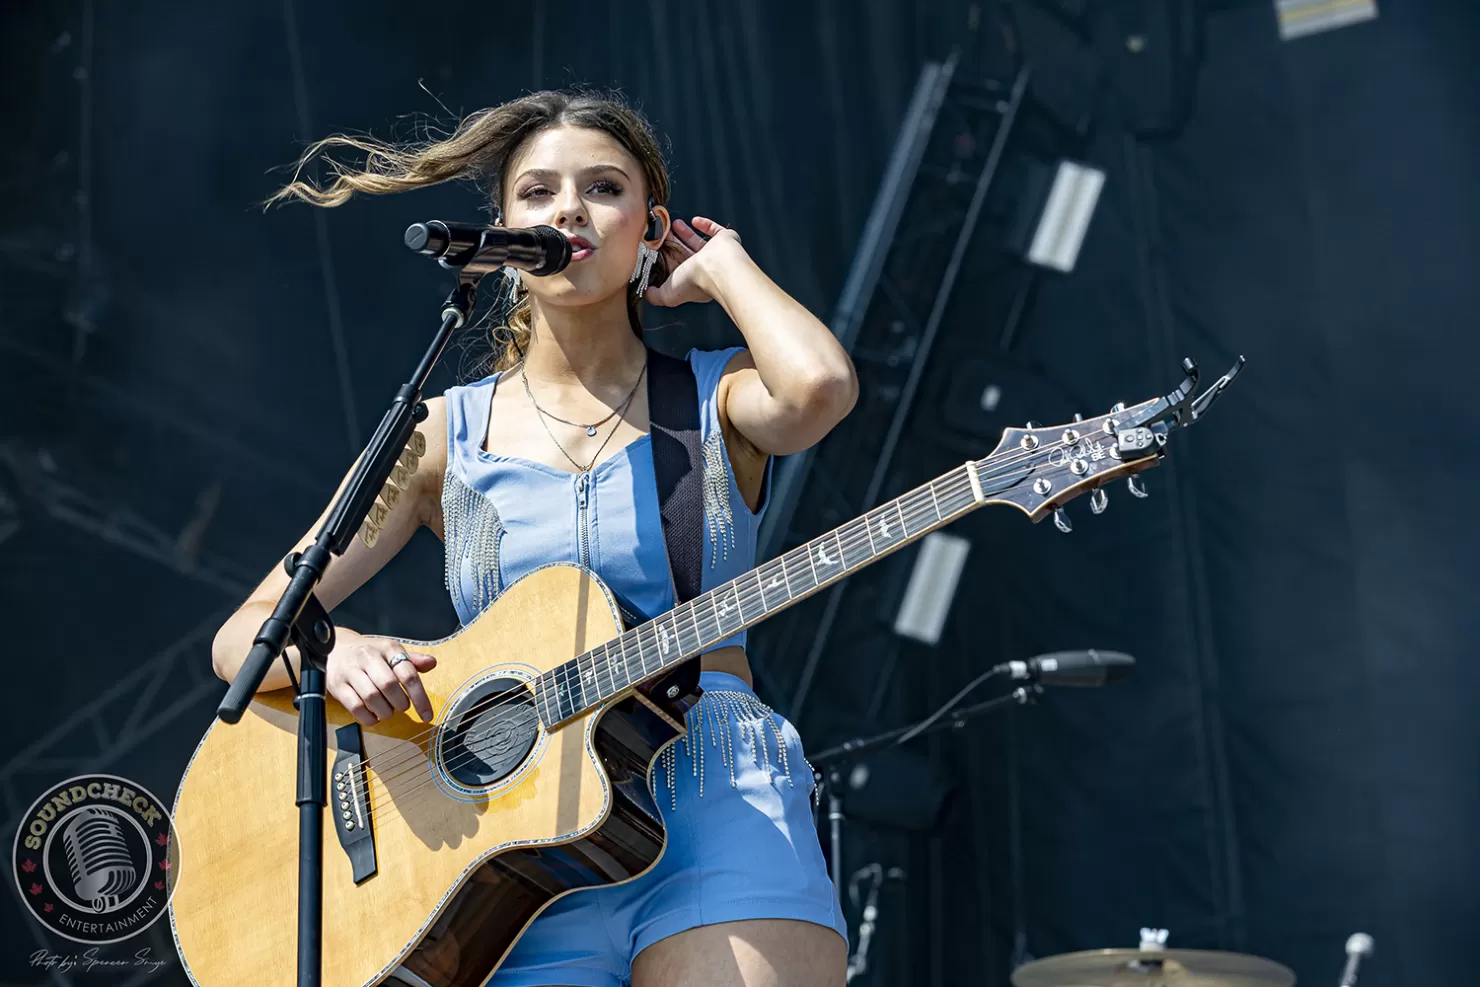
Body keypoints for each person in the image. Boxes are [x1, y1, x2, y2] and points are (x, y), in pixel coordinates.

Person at [211, 89, 858, 987]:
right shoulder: (441, 435)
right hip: (508, 844)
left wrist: (724, 268)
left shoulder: (717, 396)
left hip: (713, 799)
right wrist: (343, 649)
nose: (569, 211)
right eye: (538, 192)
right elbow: (245, 637)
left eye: (604, 188)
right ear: (505, 235)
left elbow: (819, 388)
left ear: (649, 228)